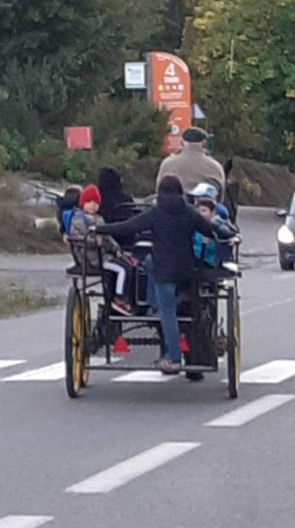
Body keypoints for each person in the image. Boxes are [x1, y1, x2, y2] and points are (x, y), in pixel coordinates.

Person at [95, 175, 231, 375]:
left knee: (166, 309)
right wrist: (230, 234)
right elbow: (211, 230)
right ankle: (180, 349)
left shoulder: (155, 213)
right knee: (175, 307)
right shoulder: (189, 212)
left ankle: (172, 355)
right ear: (179, 192)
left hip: (163, 271)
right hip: (186, 270)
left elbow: (128, 226)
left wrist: (98, 228)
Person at [65, 184, 136, 316]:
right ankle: (118, 298)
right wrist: (97, 242)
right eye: (89, 202)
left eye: (95, 203)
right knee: (122, 270)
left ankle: (123, 296)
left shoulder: (99, 219)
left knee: (128, 266)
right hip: (92, 257)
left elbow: (108, 237)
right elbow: (82, 239)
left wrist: (116, 249)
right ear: (83, 203)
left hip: (103, 255)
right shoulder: (79, 220)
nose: (93, 205)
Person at [156, 127, 226, 201]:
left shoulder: (167, 164)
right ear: (204, 143)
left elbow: (159, 190)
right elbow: (220, 195)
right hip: (204, 207)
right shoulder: (215, 166)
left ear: (182, 143)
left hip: (173, 207)